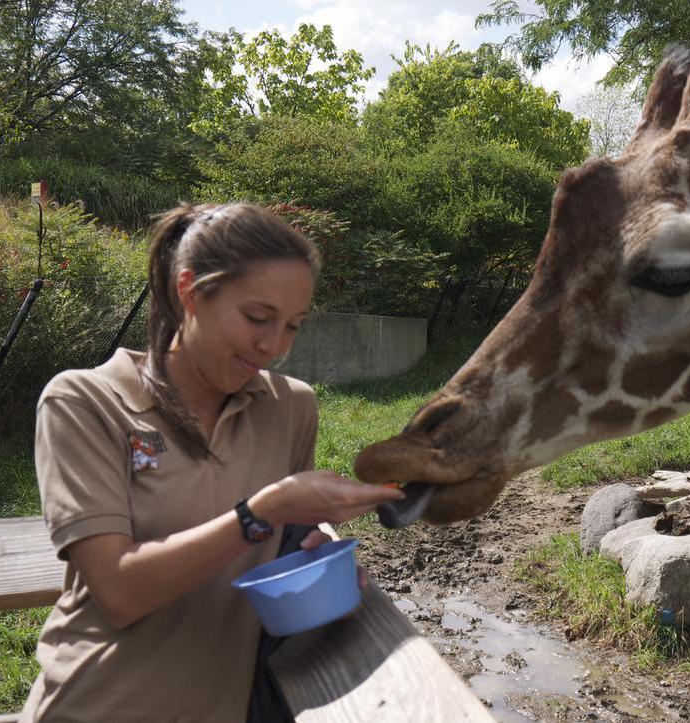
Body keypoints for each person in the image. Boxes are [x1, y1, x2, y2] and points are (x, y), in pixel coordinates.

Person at [21, 202, 405, 722]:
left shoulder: (292, 407)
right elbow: (118, 592)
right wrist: (262, 513)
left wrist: (313, 561)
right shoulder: (84, 401)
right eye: (257, 318)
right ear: (190, 292)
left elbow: (278, 554)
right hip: (93, 704)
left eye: (292, 326)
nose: (273, 346)